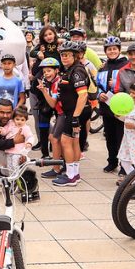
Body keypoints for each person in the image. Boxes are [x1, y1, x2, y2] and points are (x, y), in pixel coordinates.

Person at [51, 41, 91, 187]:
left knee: (65, 141)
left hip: (76, 112)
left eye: (67, 55)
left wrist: (75, 117)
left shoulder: (77, 71)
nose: (64, 57)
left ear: (75, 56)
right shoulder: (69, 69)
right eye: (62, 55)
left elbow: (83, 95)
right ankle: (75, 173)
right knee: (74, 142)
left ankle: (70, 176)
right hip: (73, 111)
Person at [96, 36, 128, 172]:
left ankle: (124, 165)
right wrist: (99, 94)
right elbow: (97, 84)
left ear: (119, 50)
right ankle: (112, 161)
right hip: (106, 107)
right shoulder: (103, 66)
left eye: (115, 49)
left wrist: (117, 84)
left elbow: (132, 84)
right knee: (110, 137)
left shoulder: (126, 65)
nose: (112, 51)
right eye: (109, 49)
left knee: (122, 137)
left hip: (121, 109)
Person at [36, 58, 61, 160]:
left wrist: (44, 91)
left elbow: (53, 103)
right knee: (43, 128)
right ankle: (45, 153)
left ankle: (57, 154)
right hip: (45, 105)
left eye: (49, 71)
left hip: (58, 108)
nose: (46, 74)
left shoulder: (59, 82)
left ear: (56, 70)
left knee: (57, 135)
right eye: (44, 71)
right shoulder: (41, 79)